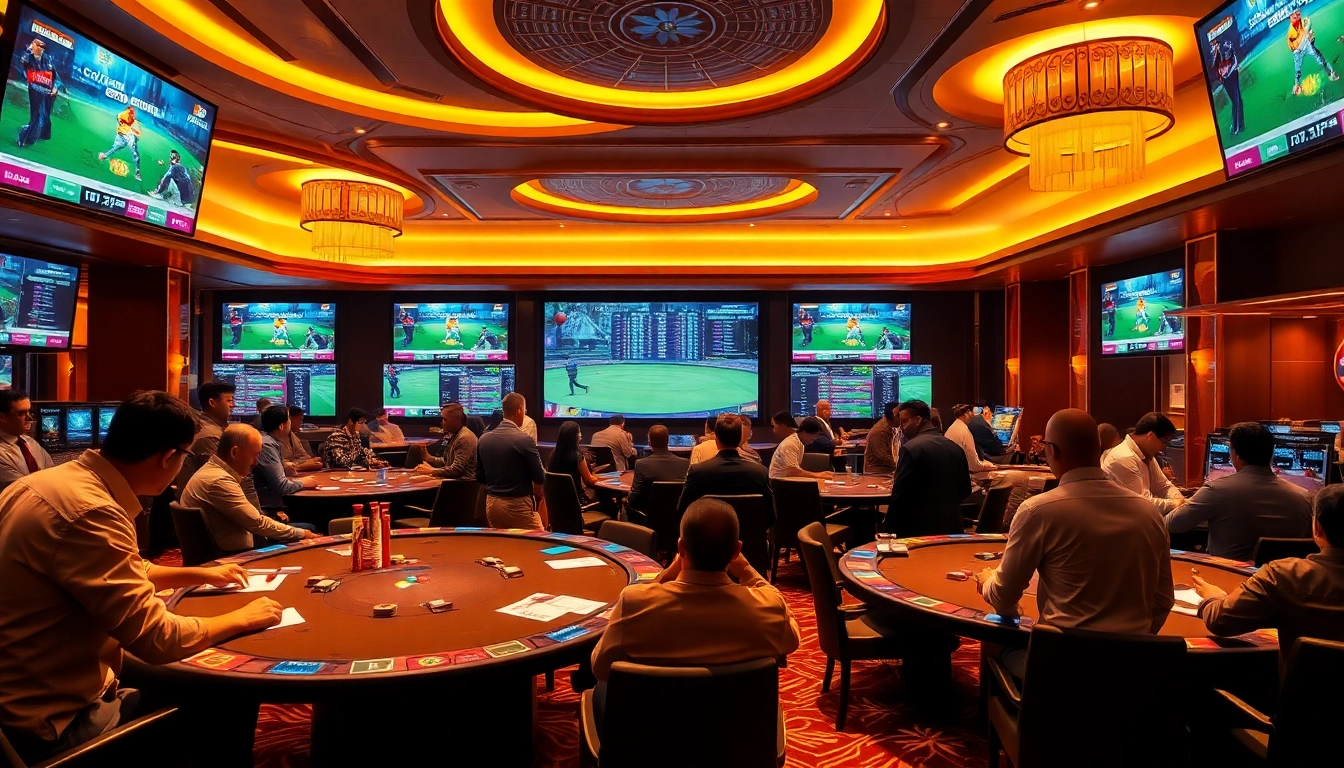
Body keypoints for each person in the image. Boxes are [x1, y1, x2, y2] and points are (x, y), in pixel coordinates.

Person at [0, 392, 282, 762]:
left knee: (175, 674)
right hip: (55, 722)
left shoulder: (52, 482)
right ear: (169, 457)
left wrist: (198, 574)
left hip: (19, 695)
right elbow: (156, 639)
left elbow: (122, 566)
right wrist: (242, 617)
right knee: (232, 690)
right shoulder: (93, 512)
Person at [973, 409, 1174, 679]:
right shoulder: (1149, 513)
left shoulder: (1037, 510)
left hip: (1061, 669)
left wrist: (987, 581)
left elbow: (1004, 596)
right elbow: (1163, 600)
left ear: (1052, 451)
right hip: (1131, 672)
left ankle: (1025, 718)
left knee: (995, 636)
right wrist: (1129, 649)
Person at [591, 496, 801, 686]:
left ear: (681, 548)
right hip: (737, 726)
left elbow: (600, 668)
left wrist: (666, 574)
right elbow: (791, 640)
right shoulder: (770, 606)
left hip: (650, 725)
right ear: (737, 551)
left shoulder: (634, 603)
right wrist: (746, 570)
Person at [1193, 484, 1344, 675]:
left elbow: (1221, 621)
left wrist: (1212, 598)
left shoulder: (1284, 575)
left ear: (1318, 529)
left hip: (1299, 703)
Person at [1166, 422, 1312, 561]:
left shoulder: (1217, 490)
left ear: (1235, 455)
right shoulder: (1304, 497)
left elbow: (1171, 524)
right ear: (1271, 455)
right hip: (1286, 582)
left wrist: (1180, 503)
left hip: (1228, 580)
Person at [182, 425, 317, 553]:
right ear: (234, 452)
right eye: (254, 455)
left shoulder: (212, 471)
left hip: (228, 545)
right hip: (233, 554)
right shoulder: (219, 481)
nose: (256, 462)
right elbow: (258, 524)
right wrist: (302, 534)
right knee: (309, 532)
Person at [882, 400, 971, 536]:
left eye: (904, 422)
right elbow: (965, 491)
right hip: (953, 530)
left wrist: (887, 529)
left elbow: (899, 496)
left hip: (916, 532)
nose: (902, 428)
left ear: (918, 420)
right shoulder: (956, 448)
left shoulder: (910, 449)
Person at [678, 415, 774, 523]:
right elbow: (770, 517)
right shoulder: (760, 472)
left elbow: (683, 512)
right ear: (739, 439)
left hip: (706, 537)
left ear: (716, 439)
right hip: (749, 537)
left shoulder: (697, 472)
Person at [477, 393, 546, 529]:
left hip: (491, 503)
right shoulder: (525, 440)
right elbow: (539, 476)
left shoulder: (483, 439)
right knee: (536, 544)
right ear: (519, 410)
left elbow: (479, 476)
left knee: (503, 544)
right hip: (517, 504)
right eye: (524, 411)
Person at [1102, 412, 1186, 514]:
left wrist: (1180, 501)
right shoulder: (1123, 457)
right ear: (1150, 436)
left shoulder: (1146, 453)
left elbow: (1163, 486)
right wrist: (1174, 504)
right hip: (1124, 524)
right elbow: (1141, 504)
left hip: (1139, 519)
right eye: (1165, 442)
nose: (1165, 447)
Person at [253, 406, 318, 512]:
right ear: (282, 426)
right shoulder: (266, 445)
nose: (290, 423)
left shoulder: (268, 440)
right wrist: (304, 482)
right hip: (267, 509)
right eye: (289, 420)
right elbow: (282, 486)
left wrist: (284, 467)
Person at [627, 425, 690, 516]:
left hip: (648, 519)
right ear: (668, 440)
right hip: (677, 519)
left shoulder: (641, 464)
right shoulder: (685, 464)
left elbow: (634, 499)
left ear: (649, 442)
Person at [0, 390, 53, 489]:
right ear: (2, 417)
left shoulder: (30, 442)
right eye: (21, 413)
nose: (29, 418)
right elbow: (24, 490)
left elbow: (52, 473)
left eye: (29, 411)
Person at [16, 38, 62, 148]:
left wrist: (55, 87)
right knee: (37, 115)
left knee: (46, 115)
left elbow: (56, 77)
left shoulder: (47, 60)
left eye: (43, 47)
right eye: (39, 46)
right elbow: (23, 64)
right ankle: (25, 137)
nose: (41, 49)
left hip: (48, 91)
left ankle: (41, 134)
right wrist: (29, 49)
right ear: (34, 45)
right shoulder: (28, 56)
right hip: (36, 89)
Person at [414, 403, 476, 480]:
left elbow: (456, 470)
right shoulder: (455, 434)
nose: (441, 422)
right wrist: (428, 457)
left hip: (463, 486)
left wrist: (431, 471)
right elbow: (447, 462)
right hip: (454, 482)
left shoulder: (464, 438)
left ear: (456, 420)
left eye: (445, 419)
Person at [1288, 9, 1339, 96]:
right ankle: (1296, 85)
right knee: (1298, 70)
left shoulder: (1302, 22)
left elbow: (1307, 25)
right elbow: (1293, 45)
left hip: (1305, 45)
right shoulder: (1292, 32)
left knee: (1319, 58)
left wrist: (1309, 34)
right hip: (1298, 51)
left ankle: (1331, 74)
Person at [549, 421, 600, 504]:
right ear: (575, 436)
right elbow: (589, 481)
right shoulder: (578, 456)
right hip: (576, 503)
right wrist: (600, 479)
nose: (581, 436)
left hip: (556, 502)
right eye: (579, 432)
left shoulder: (553, 454)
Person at [321, 408, 386, 469]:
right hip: (336, 473)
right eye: (360, 423)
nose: (363, 425)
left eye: (364, 422)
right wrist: (360, 452)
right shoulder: (336, 437)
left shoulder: (356, 436)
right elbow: (342, 462)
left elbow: (361, 457)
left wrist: (373, 461)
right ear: (351, 421)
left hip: (352, 472)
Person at [945, 404, 995, 473]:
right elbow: (973, 465)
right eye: (972, 412)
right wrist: (985, 465)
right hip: (965, 474)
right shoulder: (964, 431)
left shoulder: (952, 428)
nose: (973, 416)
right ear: (967, 413)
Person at [98, 105, 142, 181]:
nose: (132, 113)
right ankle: (104, 156)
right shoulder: (125, 115)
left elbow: (137, 132)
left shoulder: (132, 120)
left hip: (129, 136)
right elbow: (119, 117)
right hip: (122, 135)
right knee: (116, 147)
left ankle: (137, 174)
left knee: (135, 154)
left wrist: (133, 132)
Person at [278, 405, 322, 472]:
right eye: (288, 419)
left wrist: (309, 462)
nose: (289, 421)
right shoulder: (269, 443)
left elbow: (305, 457)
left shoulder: (291, 435)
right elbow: (279, 466)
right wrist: (301, 466)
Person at [862, 401, 900, 476]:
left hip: (888, 470)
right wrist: (903, 463)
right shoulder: (879, 432)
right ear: (894, 417)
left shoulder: (893, 427)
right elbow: (882, 456)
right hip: (878, 473)